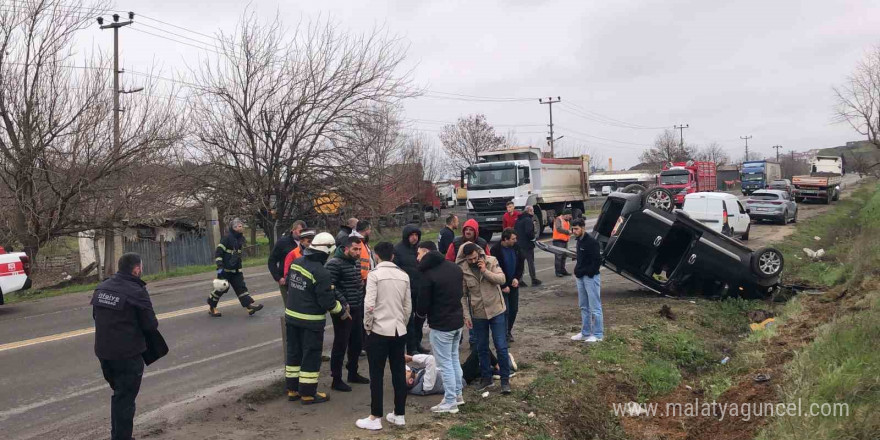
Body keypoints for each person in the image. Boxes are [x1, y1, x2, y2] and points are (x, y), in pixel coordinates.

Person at [92, 253, 160, 440]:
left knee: (120, 395)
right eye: (141, 267)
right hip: (127, 356)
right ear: (136, 269)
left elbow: (96, 317)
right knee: (125, 399)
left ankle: (118, 435)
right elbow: (150, 325)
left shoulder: (102, 287)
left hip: (104, 354)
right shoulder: (137, 291)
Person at [284, 232, 345, 405]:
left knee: (293, 353)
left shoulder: (296, 263)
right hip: (311, 321)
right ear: (326, 252)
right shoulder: (321, 272)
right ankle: (308, 394)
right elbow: (327, 302)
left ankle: (292, 389)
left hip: (291, 317)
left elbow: (290, 284)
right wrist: (341, 311)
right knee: (311, 355)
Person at [356, 242, 411, 431]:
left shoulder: (374, 275)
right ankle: (399, 414)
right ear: (393, 256)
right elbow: (407, 306)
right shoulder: (403, 276)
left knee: (376, 374)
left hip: (379, 330)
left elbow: (369, 304)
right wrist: (401, 323)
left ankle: (375, 415)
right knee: (398, 372)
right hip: (398, 330)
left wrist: (368, 326)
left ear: (376, 256)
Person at [416, 241, 465, 413]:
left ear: (426, 252)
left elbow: (423, 303)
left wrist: (420, 315)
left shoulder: (428, 274)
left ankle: (450, 401)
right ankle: (458, 394)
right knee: (453, 359)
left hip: (441, 324)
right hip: (457, 321)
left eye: (419, 253)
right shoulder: (454, 268)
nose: (417, 257)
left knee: (444, 364)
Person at [457, 243, 511, 394]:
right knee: (481, 347)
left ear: (479, 254)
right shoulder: (464, 270)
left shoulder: (491, 261)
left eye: (475, 258)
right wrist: (466, 316)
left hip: (496, 310)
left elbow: (501, 279)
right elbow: (463, 295)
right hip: (478, 313)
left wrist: (485, 271)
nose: (473, 261)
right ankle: (486, 378)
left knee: (501, 346)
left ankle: (505, 380)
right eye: (470, 259)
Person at [325, 236, 370, 391]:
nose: (358, 252)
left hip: (357, 307)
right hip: (343, 311)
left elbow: (358, 284)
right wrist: (344, 302)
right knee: (341, 343)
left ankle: (353, 372)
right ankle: (336, 379)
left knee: (357, 342)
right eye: (355, 249)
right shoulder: (334, 264)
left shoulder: (355, 262)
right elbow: (330, 286)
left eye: (359, 249)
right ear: (346, 249)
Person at [208, 219, 263, 317]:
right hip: (225, 270)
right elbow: (218, 253)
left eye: (241, 225)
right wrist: (220, 267)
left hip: (236, 270)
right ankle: (212, 308)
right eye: (237, 226)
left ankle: (249, 306)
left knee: (241, 288)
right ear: (233, 228)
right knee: (221, 288)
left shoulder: (240, 239)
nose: (240, 227)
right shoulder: (226, 238)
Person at [394, 224, 430, 355]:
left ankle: (417, 344)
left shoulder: (419, 249)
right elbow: (395, 268)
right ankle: (411, 348)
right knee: (408, 321)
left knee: (420, 319)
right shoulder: (397, 250)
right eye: (412, 235)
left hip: (419, 289)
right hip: (406, 291)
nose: (414, 238)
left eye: (416, 235)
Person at [570, 218, 604, 343]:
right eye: (573, 229)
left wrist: (589, 273)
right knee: (584, 306)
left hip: (590, 278)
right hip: (581, 278)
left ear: (583, 228)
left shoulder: (591, 242)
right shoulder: (579, 241)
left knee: (595, 307)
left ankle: (598, 334)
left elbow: (597, 261)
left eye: (577, 229)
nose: (574, 231)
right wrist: (577, 271)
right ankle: (585, 332)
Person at [490, 229, 524, 343]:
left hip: (514, 284)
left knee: (514, 309)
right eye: (513, 239)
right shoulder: (495, 250)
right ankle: (503, 335)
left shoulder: (516, 247)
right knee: (505, 311)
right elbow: (494, 269)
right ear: (505, 239)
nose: (515, 241)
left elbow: (520, 263)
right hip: (501, 286)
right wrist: (503, 285)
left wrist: (516, 278)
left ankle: (508, 331)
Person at [268, 220, 307, 304]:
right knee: (289, 306)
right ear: (293, 230)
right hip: (286, 280)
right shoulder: (283, 242)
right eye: (300, 231)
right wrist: (278, 277)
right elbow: (272, 261)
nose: (301, 234)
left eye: (304, 232)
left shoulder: (306, 243)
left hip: (303, 280)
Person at [514, 206, 541, 287]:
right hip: (527, 245)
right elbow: (529, 232)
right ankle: (534, 279)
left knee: (520, 263)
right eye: (532, 211)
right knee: (530, 262)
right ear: (529, 211)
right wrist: (533, 238)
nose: (533, 212)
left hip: (519, 244)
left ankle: (520, 280)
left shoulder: (518, 220)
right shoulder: (528, 220)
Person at [552, 209, 573, 277]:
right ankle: (558, 272)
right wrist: (568, 232)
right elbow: (558, 228)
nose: (570, 217)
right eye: (569, 215)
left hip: (564, 240)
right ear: (566, 215)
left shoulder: (567, 220)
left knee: (564, 256)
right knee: (558, 257)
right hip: (558, 241)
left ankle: (563, 270)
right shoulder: (559, 219)